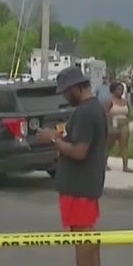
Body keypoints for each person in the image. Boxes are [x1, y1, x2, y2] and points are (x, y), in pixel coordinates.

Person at [35, 66, 107, 266]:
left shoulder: (85, 112)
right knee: (88, 237)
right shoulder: (95, 108)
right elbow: (83, 142)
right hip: (86, 184)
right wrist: (61, 136)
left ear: (77, 88)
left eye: (66, 91)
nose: (65, 96)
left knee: (82, 238)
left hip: (79, 187)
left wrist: (52, 140)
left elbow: (79, 151)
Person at [105, 81, 131, 172]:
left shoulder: (125, 101)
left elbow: (129, 113)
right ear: (114, 90)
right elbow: (105, 113)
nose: (121, 91)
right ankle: (104, 163)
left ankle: (125, 166)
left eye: (122, 89)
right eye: (119, 89)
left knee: (124, 146)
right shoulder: (110, 101)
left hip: (124, 124)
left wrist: (127, 121)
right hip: (113, 124)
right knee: (109, 145)